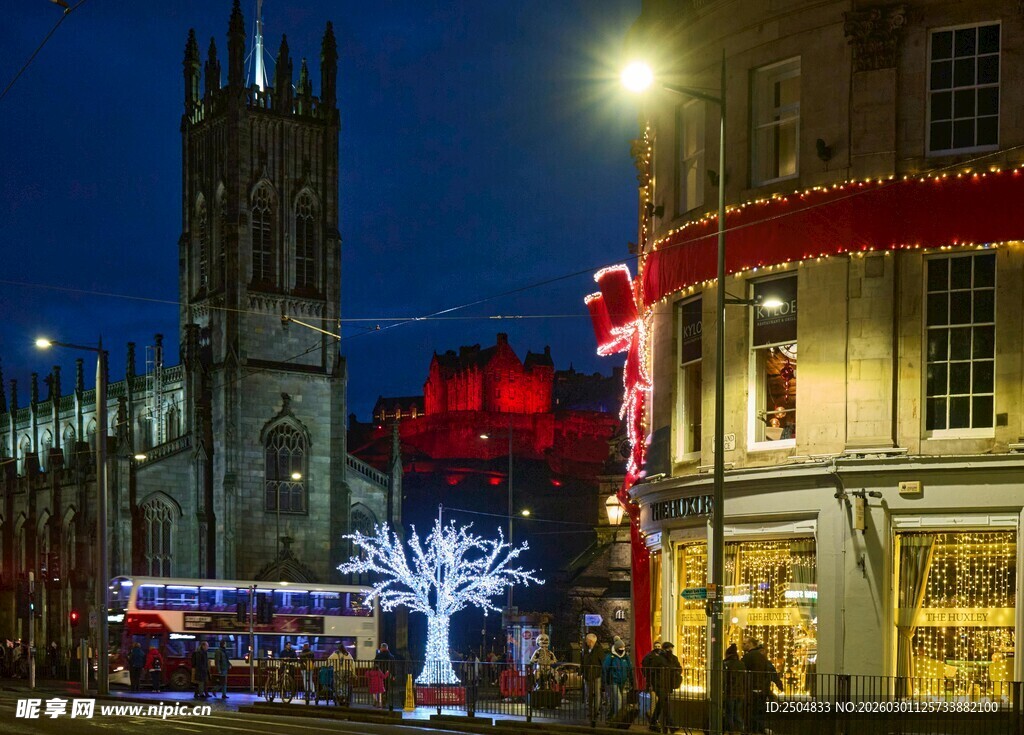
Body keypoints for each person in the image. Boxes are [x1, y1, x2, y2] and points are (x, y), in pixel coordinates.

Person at [742, 637, 783, 734]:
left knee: (752, 711)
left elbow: (743, 673)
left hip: (752, 689)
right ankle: (759, 729)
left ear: (751, 644)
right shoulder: (763, 659)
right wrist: (779, 685)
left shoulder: (748, 657)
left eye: (744, 643)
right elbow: (771, 673)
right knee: (759, 711)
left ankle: (753, 729)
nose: (742, 645)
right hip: (762, 689)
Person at [649, 642, 681, 733]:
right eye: (668, 648)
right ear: (664, 649)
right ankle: (671, 724)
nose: (669, 650)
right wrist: (651, 684)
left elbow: (679, 668)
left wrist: (677, 673)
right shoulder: (658, 658)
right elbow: (652, 671)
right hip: (659, 684)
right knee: (664, 702)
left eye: (671, 648)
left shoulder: (673, 658)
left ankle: (653, 722)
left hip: (668, 684)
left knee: (662, 703)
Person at [602, 637, 634, 720]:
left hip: (622, 681)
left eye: (623, 648)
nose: (622, 649)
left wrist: (631, 680)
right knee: (618, 699)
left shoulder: (625, 657)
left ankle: (610, 715)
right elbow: (605, 668)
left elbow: (629, 669)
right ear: (616, 648)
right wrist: (605, 681)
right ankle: (618, 718)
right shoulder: (610, 656)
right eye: (620, 648)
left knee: (614, 700)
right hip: (613, 681)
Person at [581, 633, 605, 724]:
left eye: (587, 640)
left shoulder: (599, 649)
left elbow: (602, 661)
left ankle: (596, 710)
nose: (586, 642)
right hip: (587, 674)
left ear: (590, 641)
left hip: (596, 674)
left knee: (597, 693)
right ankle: (590, 710)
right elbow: (583, 661)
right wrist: (582, 670)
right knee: (588, 693)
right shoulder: (586, 650)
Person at [723, 643, 746, 733]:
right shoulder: (741, 664)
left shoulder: (725, 664)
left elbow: (724, 679)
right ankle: (741, 730)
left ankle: (731, 731)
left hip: (730, 691)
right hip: (740, 692)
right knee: (737, 713)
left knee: (730, 713)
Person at [373, 643, 396, 709]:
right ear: (387, 648)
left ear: (382, 648)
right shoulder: (391, 657)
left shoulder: (378, 656)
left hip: (379, 675)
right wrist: (394, 675)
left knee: (379, 688)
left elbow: (375, 665)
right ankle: (384, 702)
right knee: (386, 688)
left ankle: (378, 702)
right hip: (387, 675)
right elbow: (393, 667)